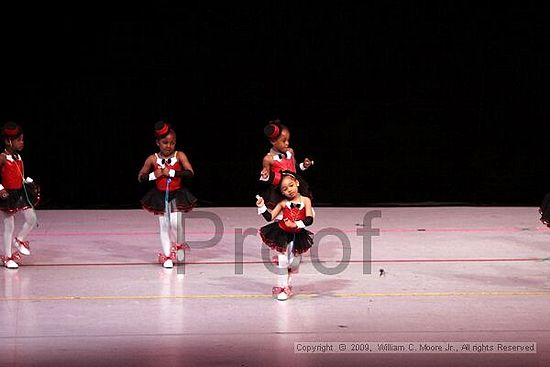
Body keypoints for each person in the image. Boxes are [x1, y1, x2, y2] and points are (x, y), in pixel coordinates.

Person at [138, 121, 197, 268]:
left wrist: (172, 172)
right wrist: (154, 175)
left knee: (176, 224)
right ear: (158, 143)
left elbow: (190, 173)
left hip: (177, 194)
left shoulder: (179, 155)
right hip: (160, 196)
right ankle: (167, 257)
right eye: (165, 143)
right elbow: (141, 177)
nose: (169, 146)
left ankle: (179, 245)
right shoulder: (152, 159)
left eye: (172, 143)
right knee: (164, 226)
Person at [256, 171, 314, 301]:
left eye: (291, 185)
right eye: (285, 189)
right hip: (282, 232)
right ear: (282, 192)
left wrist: (296, 224)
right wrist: (262, 207)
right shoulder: (282, 203)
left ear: (297, 183)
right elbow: (270, 217)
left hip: (298, 234)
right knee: (283, 261)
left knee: (294, 263)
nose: (289, 190)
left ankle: (288, 277)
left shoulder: (305, 200)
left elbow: (309, 219)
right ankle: (283, 287)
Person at [0, 122, 40, 269]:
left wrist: (27, 182)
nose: (22, 142)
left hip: (20, 192)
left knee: (32, 218)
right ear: (8, 141)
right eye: (19, 140)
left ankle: (19, 239)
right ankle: (7, 257)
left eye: (22, 139)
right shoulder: (2, 157)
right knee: (8, 226)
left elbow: (18, 174)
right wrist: (0, 189)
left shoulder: (18, 157)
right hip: (7, 196)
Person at [259, 119, 314, 209]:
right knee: (282, 213)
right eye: (284, 141)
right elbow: (267, 179)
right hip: (281, 191)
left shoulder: (290, 152)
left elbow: (294, 168)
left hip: (294, 187)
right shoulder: (268, 159)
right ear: (273, 141)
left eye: (288, 140)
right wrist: (265, 175)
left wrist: (303, 165)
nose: (287, 143)